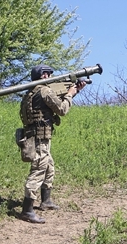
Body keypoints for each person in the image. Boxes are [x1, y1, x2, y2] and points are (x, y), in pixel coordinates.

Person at [18, 64, 86, 223]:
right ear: (43, 76)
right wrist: (70, 94)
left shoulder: (30, 93)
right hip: (39, 138)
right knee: (38, 170)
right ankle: (27, 210)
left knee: (49, 166)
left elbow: (50, 108)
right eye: (47, 74)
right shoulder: (45, 91)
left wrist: (73, 92)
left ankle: (46, 201)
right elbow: (62, 109)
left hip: (35, 137)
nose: (49, 77)